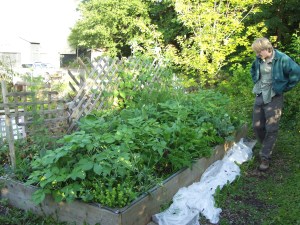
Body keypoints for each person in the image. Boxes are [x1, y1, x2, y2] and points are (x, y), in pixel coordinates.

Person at [250, 37, 300, 171]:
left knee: (271, 127)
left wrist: (284, 88)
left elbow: (297, 72)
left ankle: (265, 156)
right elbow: (253, 69)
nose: (257, 55)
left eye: (259, 52)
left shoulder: (282, 59)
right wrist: (256, 80)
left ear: (267, 49)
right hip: (260, 95)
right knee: (257, 126)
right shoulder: (259, 59)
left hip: (274, 97)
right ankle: (267, 145)